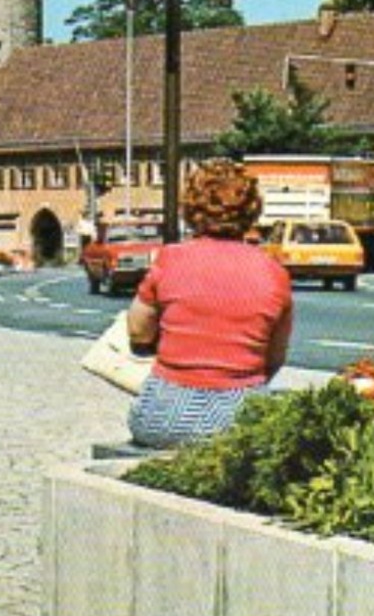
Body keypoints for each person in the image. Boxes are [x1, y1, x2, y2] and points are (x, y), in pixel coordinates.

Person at [125, 159, 294, 448]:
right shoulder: (274, 273)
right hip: (239, 416)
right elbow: (274, 358)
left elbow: (138, 331)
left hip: (165, 413)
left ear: (191, 208)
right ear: (252, 210)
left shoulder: (170, 259)